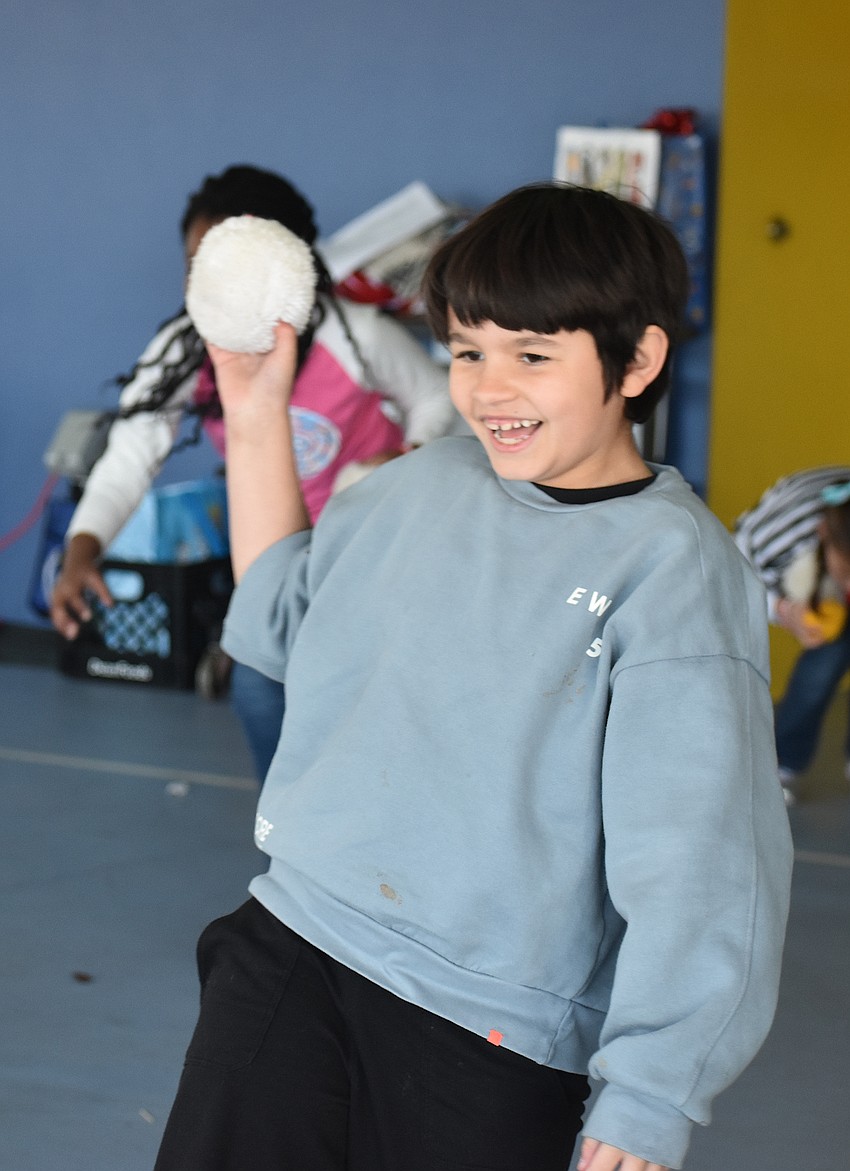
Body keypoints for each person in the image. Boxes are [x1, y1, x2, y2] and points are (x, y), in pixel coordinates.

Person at [153, 183, 793, 1171]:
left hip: (489, 1027)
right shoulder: (419, 485)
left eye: (532, 356)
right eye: (467, 351)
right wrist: (253, 412)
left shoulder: (676, 574)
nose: (490, 388)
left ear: (637, 358)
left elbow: (703, 868)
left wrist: (652, 1092)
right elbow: (282, 615)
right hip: (295, 945)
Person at [49, 164, 456, 779]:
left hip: (373, 552)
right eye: (198, 265)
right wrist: (83, 550)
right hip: (277, 561)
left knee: (367, 706)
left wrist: (408, 454)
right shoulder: (189, 349)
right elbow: (133, 451)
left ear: (291, 263)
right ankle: (289, 845)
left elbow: (439, 397)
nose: (211, 283)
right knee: (263, 690)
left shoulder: (357, 336)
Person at [733, 466, 850, 803]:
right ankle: (782, 763)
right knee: (823, 662)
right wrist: (782, 608)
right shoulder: (774, 536)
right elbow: (733, 578)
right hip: (793, 561)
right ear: (822, 533)